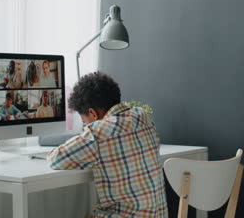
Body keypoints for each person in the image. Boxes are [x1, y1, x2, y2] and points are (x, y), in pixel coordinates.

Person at [47, 72, 168, 218]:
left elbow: (56, 159)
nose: (86, 126)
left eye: (85, 121)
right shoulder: (143, 116)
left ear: (93, 113)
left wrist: (87, 131)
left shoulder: (97, 133)